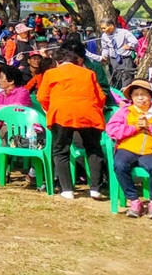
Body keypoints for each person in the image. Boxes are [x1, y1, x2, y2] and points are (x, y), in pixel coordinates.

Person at [37, 41, 108, 200]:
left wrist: (52, 107)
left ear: (57, 62)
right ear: (77, 61)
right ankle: (95, 188)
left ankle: (67, 189)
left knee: (61, 150)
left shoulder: (51, 74)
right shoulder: (88, 73)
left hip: (62, 114)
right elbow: (101, 97)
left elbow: (42, 97)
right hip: (89, 114)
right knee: (93, 149)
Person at [105, 79, 152, 220]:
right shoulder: (125, 111)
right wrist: (134, 127)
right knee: (119, 165)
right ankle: (134, 200)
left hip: (151, 150)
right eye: (136, 95)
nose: (140, 98)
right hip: (127, 147)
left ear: (150, 96)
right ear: (131, 98)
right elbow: (112, 130)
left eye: (144, 94)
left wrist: (151, 127)